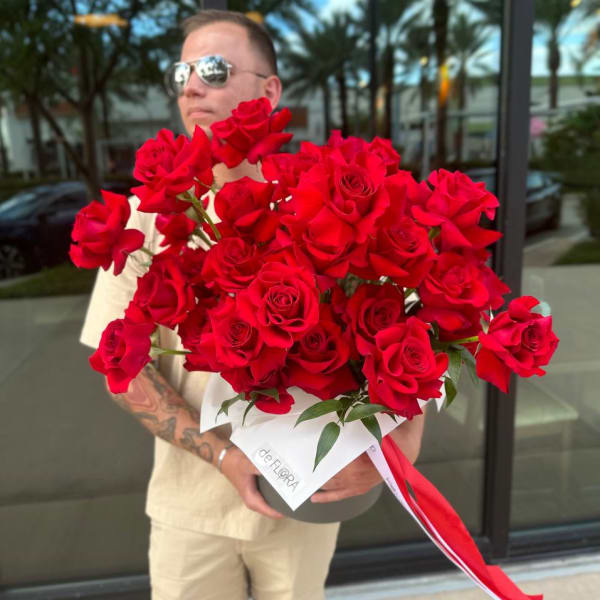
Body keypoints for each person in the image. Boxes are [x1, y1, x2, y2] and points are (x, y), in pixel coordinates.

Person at [80, 9, 426, 600]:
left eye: (214, 70)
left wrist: (403, 447)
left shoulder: (322, 198)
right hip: (191, 507)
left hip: (307, 495)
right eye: (181, 73)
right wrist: (222, 457)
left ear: (269, 91)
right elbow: (122, 370)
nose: (192, 87)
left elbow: (409, 332)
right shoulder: (144, 221)